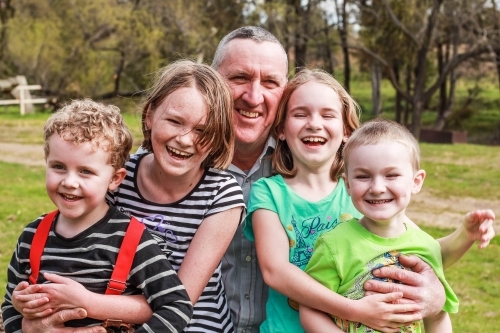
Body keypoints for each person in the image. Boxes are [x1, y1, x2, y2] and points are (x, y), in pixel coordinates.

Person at [243, 69, 496, 333]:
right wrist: (356, 311)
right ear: (281, 129)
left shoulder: (363, 193)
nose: (314, 124)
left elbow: (425, 249)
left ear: (346, 131)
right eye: (300, 114)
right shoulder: (269, 192)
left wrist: (465, 235)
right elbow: (275, 270)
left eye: (327, 115)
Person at [1, 99, 193, 332]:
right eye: (58, 166)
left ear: (114, 179)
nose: (69, 182)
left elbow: (176, 305)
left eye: (86, 171)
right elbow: (10, 308)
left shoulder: (131, 240)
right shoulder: (32, 235)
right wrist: (22, 309)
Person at [300, 118, 495, 332]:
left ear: (416, 182)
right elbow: (310, 309)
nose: (377, 187)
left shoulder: (424, 245)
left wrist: (466, 234)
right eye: (363, 176)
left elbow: (437, 316)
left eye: (391, 175)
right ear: (347, 184)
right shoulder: (333, 245)